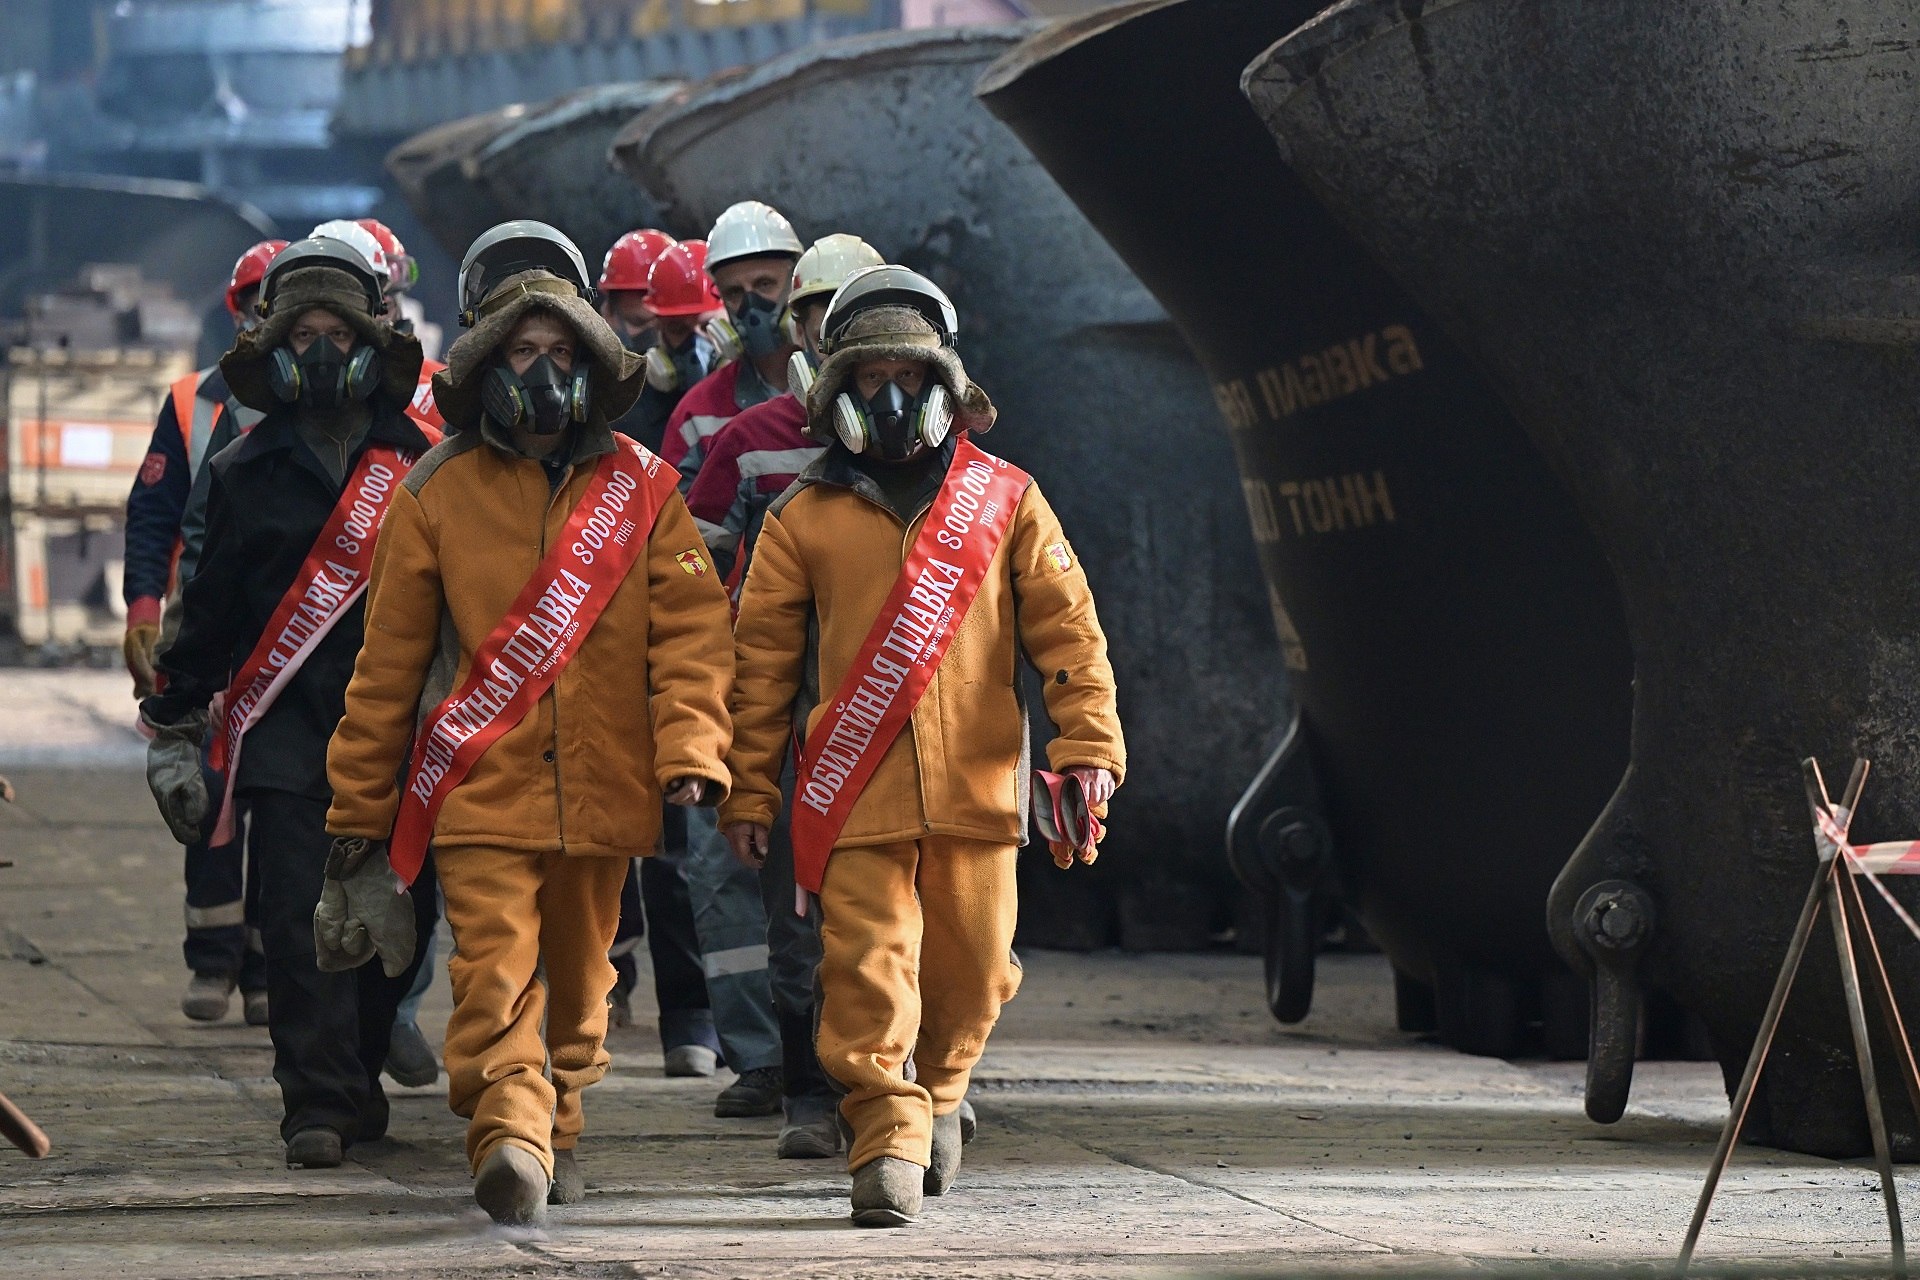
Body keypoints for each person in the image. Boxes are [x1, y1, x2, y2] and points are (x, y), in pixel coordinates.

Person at [322, 221, 734, 1225]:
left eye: (559, 352)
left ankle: (561, 1117)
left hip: (608, 790)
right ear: (484, 366)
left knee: (586, 984)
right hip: (481, 790)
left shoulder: (648, 490)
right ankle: (509, 1127)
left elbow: (693, 633)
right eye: (520, 353)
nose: (542, 372)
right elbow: (386, 670)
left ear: (591, 363)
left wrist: (692, 745)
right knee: (492, 966)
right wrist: (359, 812)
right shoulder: (433, 495)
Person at [722, 266, 1125, 1226]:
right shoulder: (800, 518)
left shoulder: (1009, 500)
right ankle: (887, 1139)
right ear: (839, 391)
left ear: (945, 387)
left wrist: (1088, 748)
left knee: (976, 974)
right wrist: (749, 792)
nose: (892, 397)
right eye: (871, 379)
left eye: (909, 376)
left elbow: (1069, 636)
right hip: (851, 800)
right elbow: (761, 670)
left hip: (980, 796)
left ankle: (942, 1089)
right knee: (866, 972)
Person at [139, 236, 441, 1171]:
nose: (318, 351)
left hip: (407, 741)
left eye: (335, 334)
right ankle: (316, 1102)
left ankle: (359, 1069)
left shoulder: (427, 465)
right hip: (289, 736)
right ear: (273, 350)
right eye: (301, 334)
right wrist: (175, 724)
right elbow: (211, 610)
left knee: (401, 928)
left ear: (368, 344)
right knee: (298, 928)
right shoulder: (243, 469)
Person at [685, 232, 880, 1160]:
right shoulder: (746, 440)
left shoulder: (944, 455)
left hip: (892, 711)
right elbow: (688, 581)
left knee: (895, 909)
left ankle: (900, 1082)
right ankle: (802, 1085)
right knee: (792, 913)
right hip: (786, 713)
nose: (824, 335)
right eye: (815, 318)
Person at [123, 237, 284, 1026]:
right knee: (208, 796)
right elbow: (156, 515)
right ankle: (214, 960)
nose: (265, 315)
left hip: (293, 636)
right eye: (256, 301)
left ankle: (264, 968)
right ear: (237, 309)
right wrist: (144, 612)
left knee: (282, 801)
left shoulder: (333, 409)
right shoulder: (194, 402)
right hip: (211, 630)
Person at [660, 201, 804, 491]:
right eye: (735, 292)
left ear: (796, 284)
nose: (751, 307)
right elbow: (674, 518)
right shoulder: (695, 416)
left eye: (765, 284)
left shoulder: (839, 393)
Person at [627, 238, 723, 454]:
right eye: (679, 330)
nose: (696, 344)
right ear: (657, 327)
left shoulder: (759, 399)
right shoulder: (635, 421)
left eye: (708, 326)